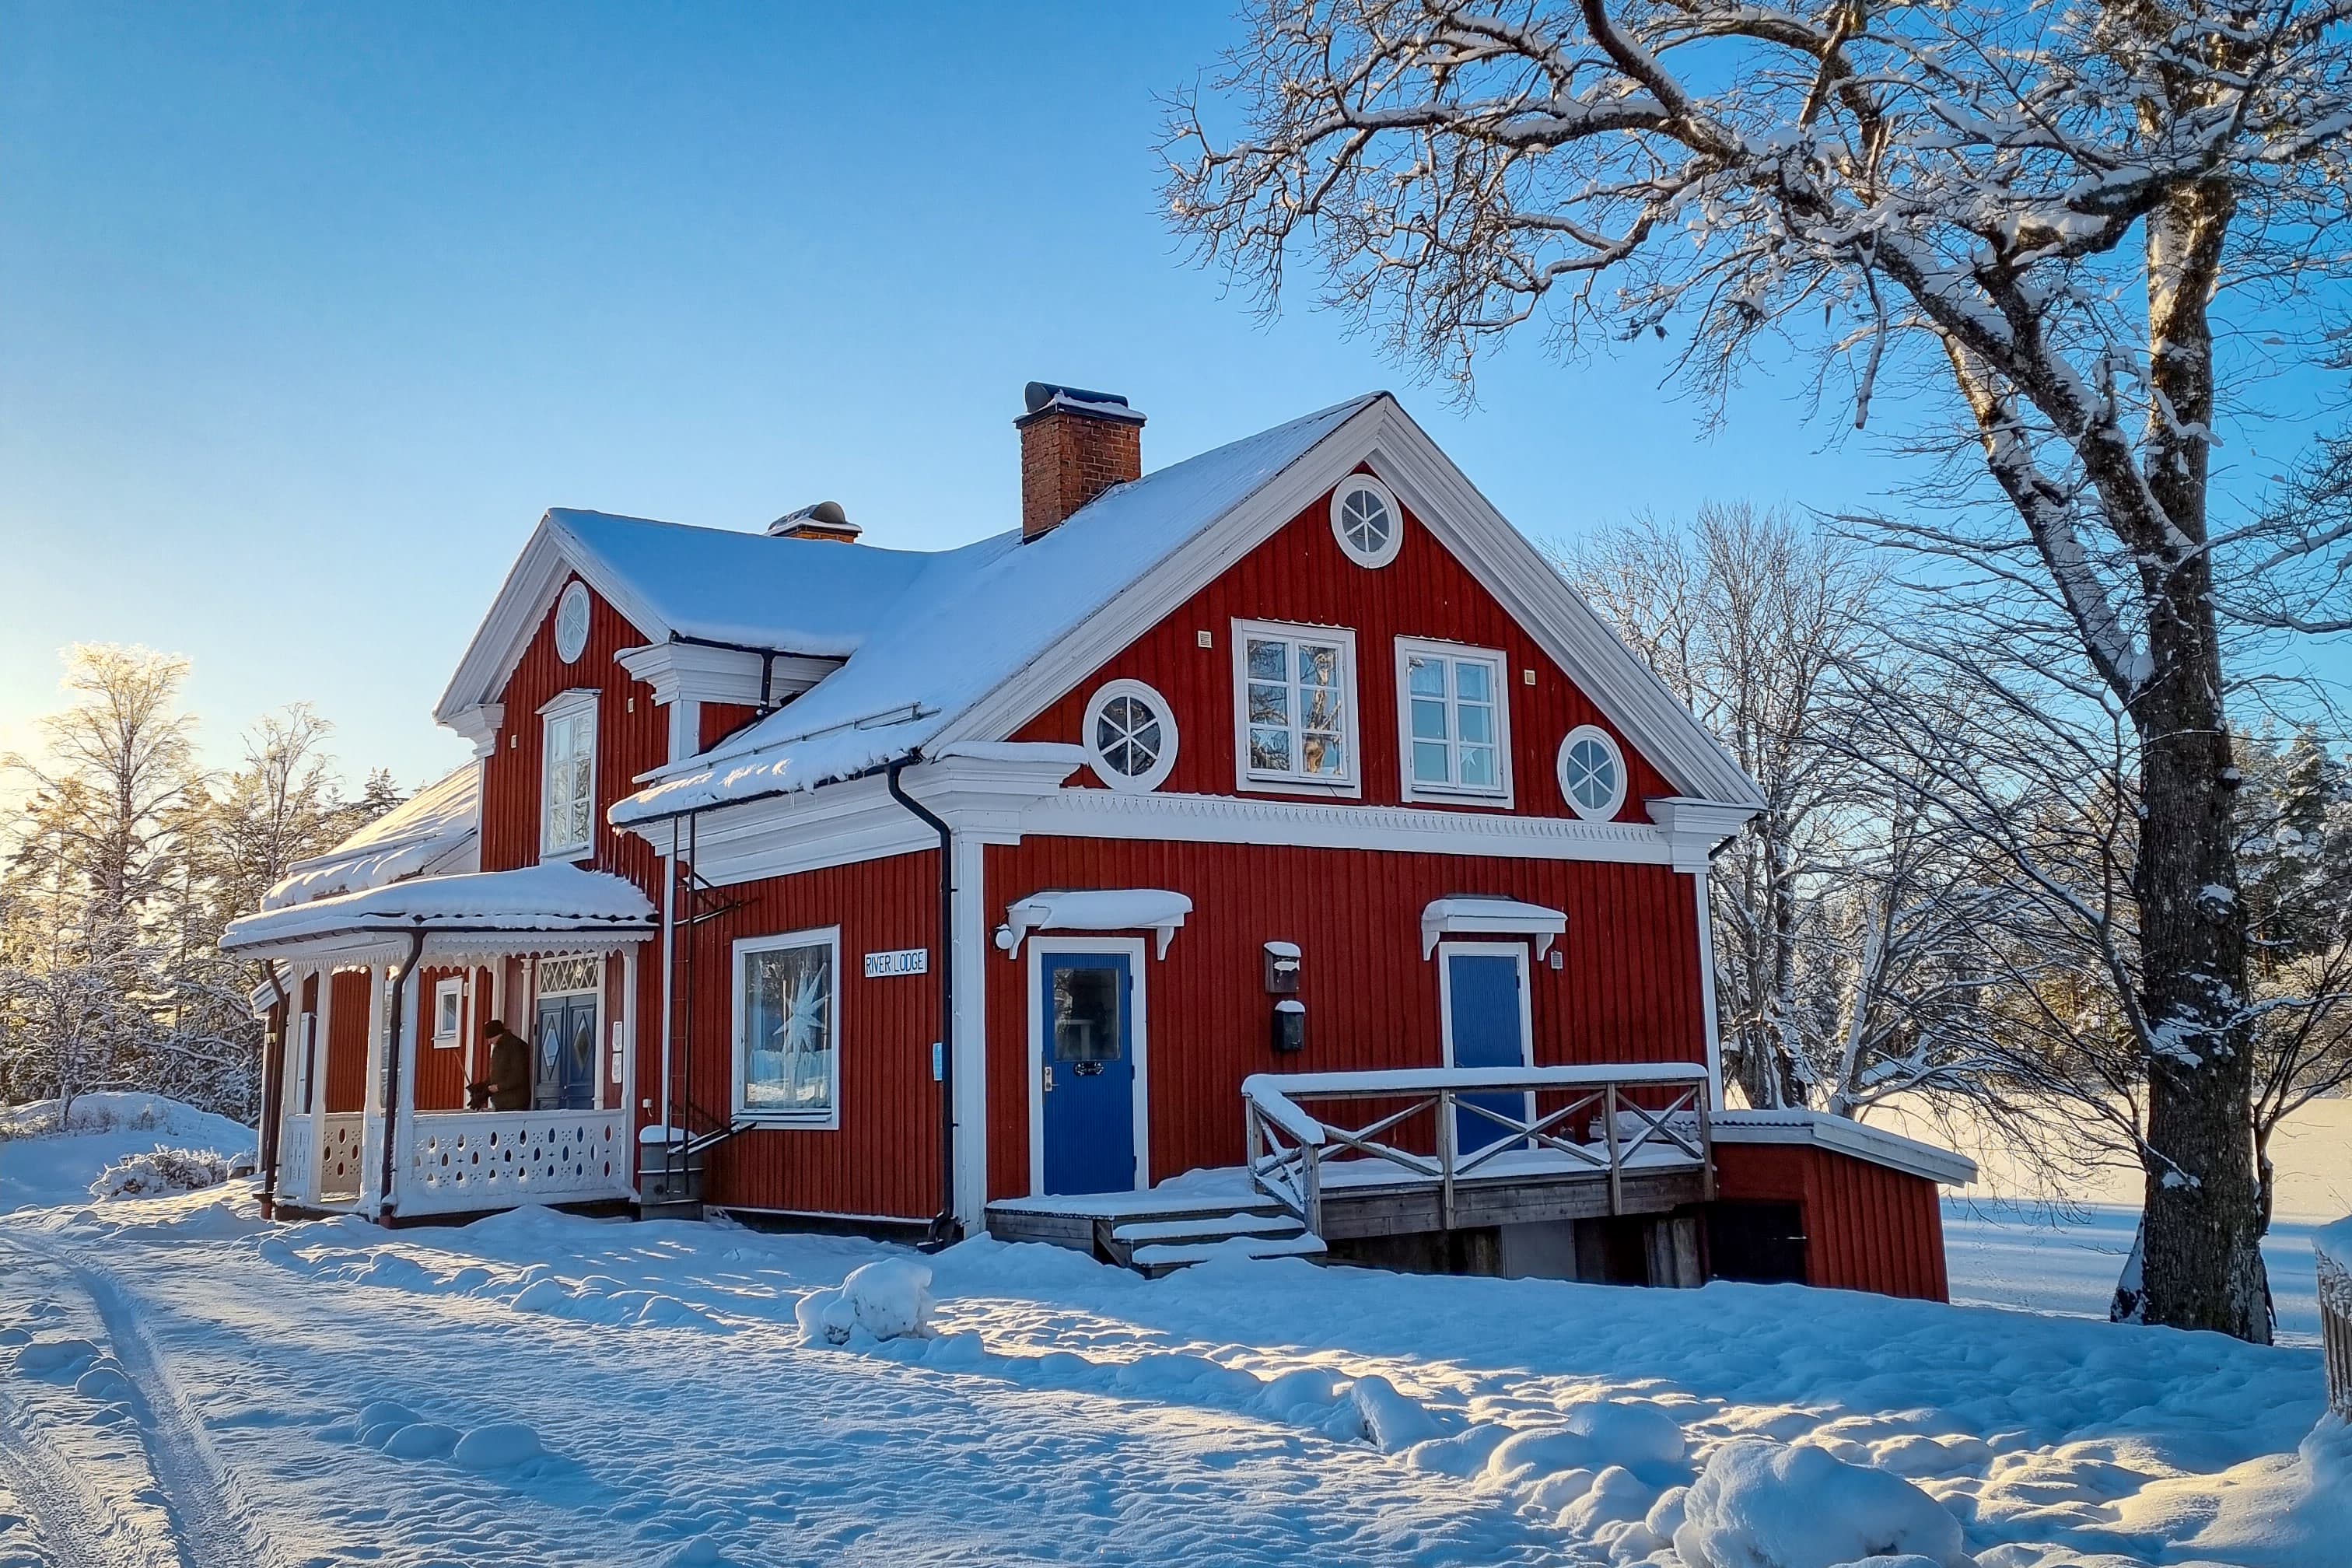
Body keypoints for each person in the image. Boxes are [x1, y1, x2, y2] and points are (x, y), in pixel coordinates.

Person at [466, 1018, 532, 1111]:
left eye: (490, 1038)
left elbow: (518, 1076)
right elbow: (496, 1075)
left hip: (514, 1103)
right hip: (501, 1103)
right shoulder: (498, 1049)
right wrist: (481, 1087)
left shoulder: (516, 1046)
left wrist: (497, 1088)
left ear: (498, 1034)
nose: (489, 1042)